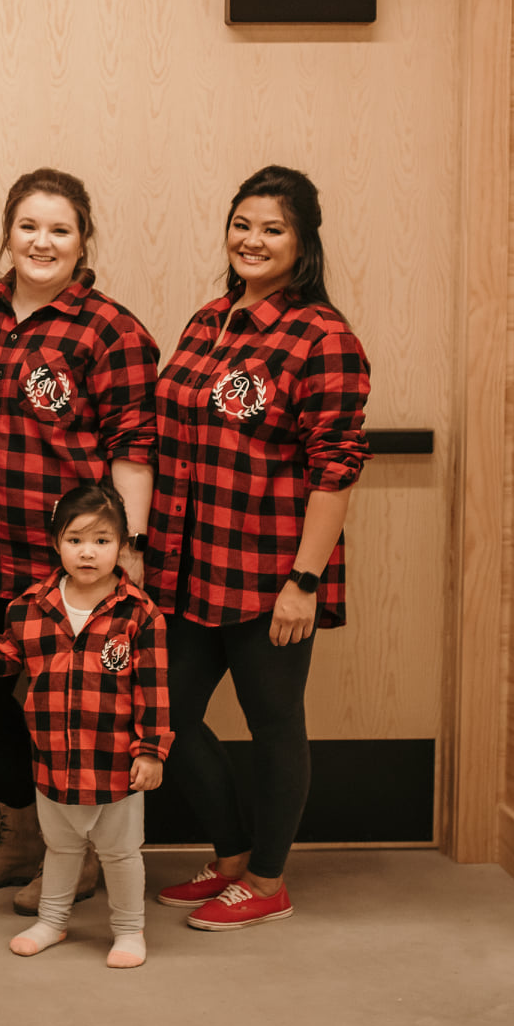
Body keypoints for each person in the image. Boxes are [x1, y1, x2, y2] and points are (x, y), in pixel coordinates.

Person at [148, 164, 371, 930]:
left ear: (302, 242)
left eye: (272, 229)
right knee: (166, 717)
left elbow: (335, 469)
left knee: (273, 724)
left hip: (268, 572)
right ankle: (232, 858)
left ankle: (268, 881)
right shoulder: (207, 320)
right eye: (242, 224)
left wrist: (303, 582)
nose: (252, 240)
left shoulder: (323, 337)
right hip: (185, 564)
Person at [0, 168, 159, 914]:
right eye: (28, 226)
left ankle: (83, 856)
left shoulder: (112, 330)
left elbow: (132, 449)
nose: (42, 242)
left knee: (72, 709)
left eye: (59, 229)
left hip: (66, 559)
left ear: (82, 240)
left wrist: (127, 554)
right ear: (7, 232)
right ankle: (23, 833)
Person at [0, 482, 170, 968]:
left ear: (122, 546)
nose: (88, 552)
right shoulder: (30, 607)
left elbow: (155, 690)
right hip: (52, 760)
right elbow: (4, 657)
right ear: (56, 543)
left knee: (120, 854)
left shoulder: (139, 613)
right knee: (60, 848)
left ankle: (128, 930)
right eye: (76, 540)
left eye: (102, 541)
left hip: (115, 764)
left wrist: (151, 751)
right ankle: (51, 922)